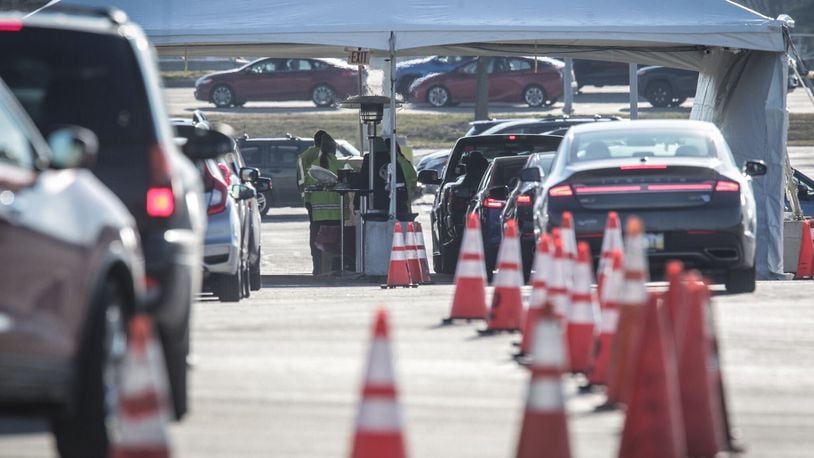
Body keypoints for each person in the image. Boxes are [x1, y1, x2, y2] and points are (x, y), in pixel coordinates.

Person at [303, 131, 353, 274]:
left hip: (318, 214)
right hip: (339, 214)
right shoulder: (340, 165)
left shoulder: (313, 167)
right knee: (337, 244)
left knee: (319, 243)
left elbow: (307, 189)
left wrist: (308, 205)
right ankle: (337, 268)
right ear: (334, 149)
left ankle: (319, 269)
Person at [354, 137, 416, 221]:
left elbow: (362, 183)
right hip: (400, 205)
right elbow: (411, 182)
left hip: (374, 206)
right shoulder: (400, 161)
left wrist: (356, 204)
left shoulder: (370, 160)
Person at [297, 130, 325, 275]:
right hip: (327, 202)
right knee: (326, 232)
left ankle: (317, 265)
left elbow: (299, 180)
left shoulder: (304, 156)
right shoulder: (328, 156)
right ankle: (324, 264)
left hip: (309, 200)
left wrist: (305, 198)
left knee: (314, 231)